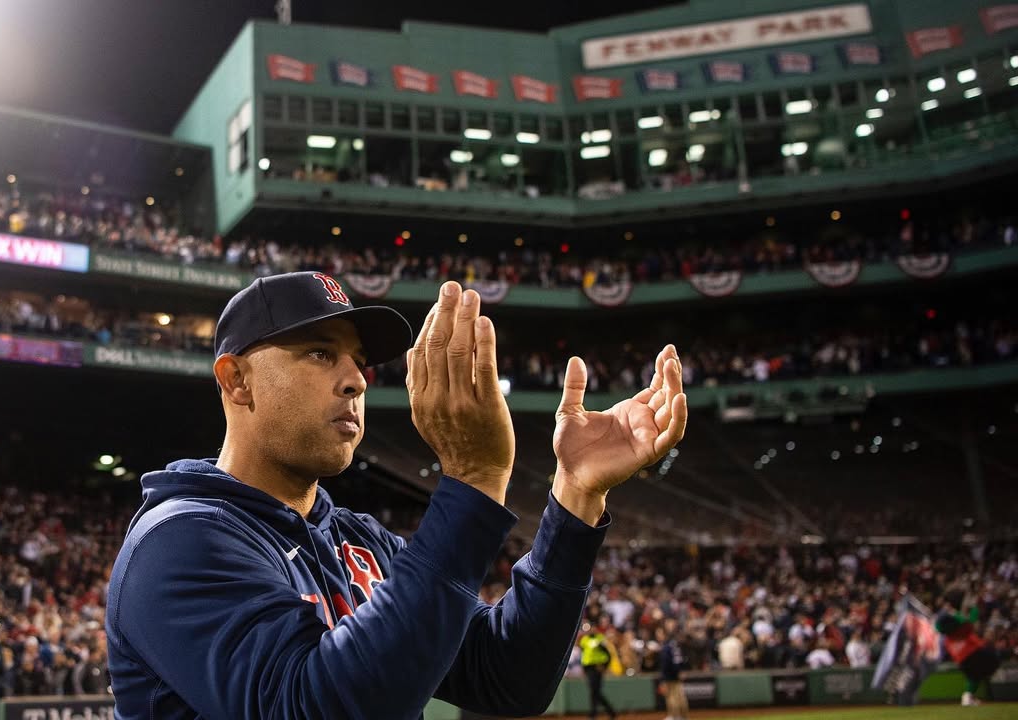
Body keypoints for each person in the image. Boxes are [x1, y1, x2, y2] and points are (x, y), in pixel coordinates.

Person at [106, 273, 687, 719]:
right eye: (319, 352)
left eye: (358, 361)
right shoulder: (177, 539)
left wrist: (575, 496)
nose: (356, 379)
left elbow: (511, 676)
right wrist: (473, 478)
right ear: (236, 380)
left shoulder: (357, 539)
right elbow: (313, 707)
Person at [579, 625, 616, 720]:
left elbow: (608, 653)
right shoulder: (584, 640)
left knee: (594, 691)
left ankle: (594, 714)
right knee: (595, 691)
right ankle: (610, 711)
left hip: (597, 667)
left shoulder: (600, 638)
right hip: (588, 668)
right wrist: (583, 669)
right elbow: (584, 654)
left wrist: (605, 666)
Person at [658, 622, 689, 720]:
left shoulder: (667, 647)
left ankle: (675, 716)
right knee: (679, 697)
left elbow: (667, 663)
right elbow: (679, 660)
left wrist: (664, 678)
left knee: (673, 698)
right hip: (675, 674)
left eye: (659, 633)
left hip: (670, 676)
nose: (658, 635)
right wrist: (679, 671)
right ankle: (682, 716)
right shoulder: (673, 644)